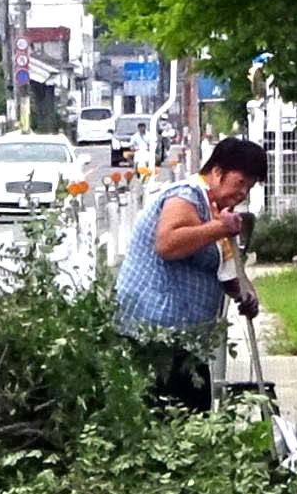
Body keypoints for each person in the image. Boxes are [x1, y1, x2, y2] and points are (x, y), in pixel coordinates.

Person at [115, 135, 269, 409]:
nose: (243, 192)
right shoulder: (186, 196)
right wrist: (220, 228)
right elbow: (167, 243)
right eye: (240, 182)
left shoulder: (216, 211)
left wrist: (245, 294)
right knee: (173, 412)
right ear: (218, 173)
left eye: (250, 186)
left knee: (194, 407)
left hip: (183, 342)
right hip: (154, 336)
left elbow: (223, 266)